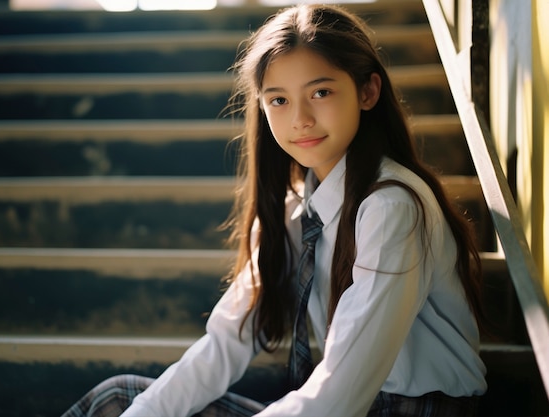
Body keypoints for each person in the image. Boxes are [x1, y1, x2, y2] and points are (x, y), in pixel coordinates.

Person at [61, 4, 487, 417]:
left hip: (412, 409)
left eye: (321, 92)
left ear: (367, 91)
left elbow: (341, 394)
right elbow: (226, 343)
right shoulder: (298, 213)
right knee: (121, 400)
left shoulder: (391, 208)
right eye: (278, 100)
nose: (300, 118)